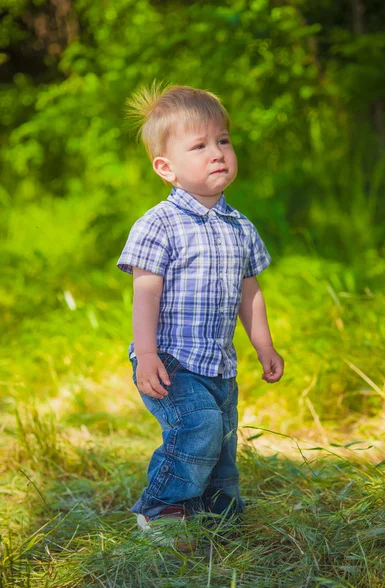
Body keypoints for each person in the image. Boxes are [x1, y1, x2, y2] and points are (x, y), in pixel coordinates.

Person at [117, 82, 284, 551]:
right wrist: (146, 353)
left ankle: (216, 518)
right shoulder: (159, 224)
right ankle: (162, 508)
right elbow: (145, 293)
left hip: (219, 364)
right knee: (198, 427)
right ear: (166, 168)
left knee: (223, 443)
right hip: (171, 359)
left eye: (223, 141)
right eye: (200, 146)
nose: (217, 154)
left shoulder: (241, 227)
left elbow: (249, 292)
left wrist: (263, 344)